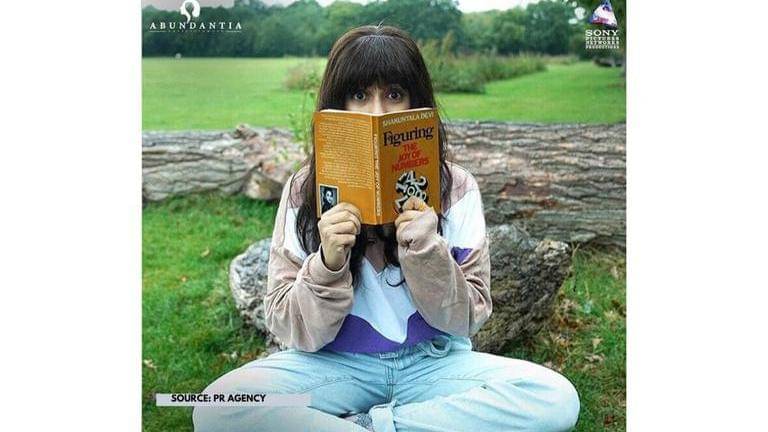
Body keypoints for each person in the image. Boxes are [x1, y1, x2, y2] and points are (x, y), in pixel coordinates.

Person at [194, 25, 580, 432]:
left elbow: (468, 319)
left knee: (554, 398)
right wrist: (327, 263)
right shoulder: (302, 191)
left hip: (432, 363)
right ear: (338, 104)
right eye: (360, 96)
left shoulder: (458, 188)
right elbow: (288, 326)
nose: (377, 113)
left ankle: (371, 425)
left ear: (417, 103)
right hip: (333, 366)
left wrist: (427, 250)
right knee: (218, 406)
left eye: (394, 95)